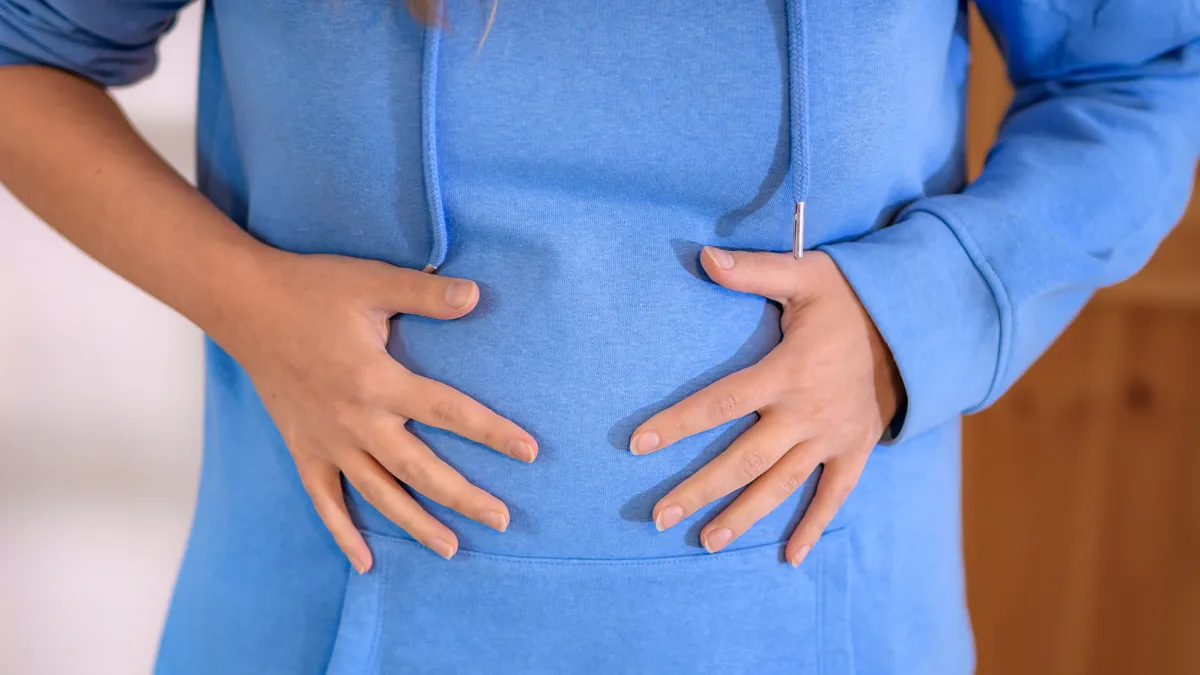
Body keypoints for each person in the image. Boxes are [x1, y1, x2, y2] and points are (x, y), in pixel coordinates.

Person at [1, 1, 1196, 673]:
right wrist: (246, 300)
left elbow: (1142, 77)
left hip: (818, 623)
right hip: (326, 613)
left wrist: (914, 316)